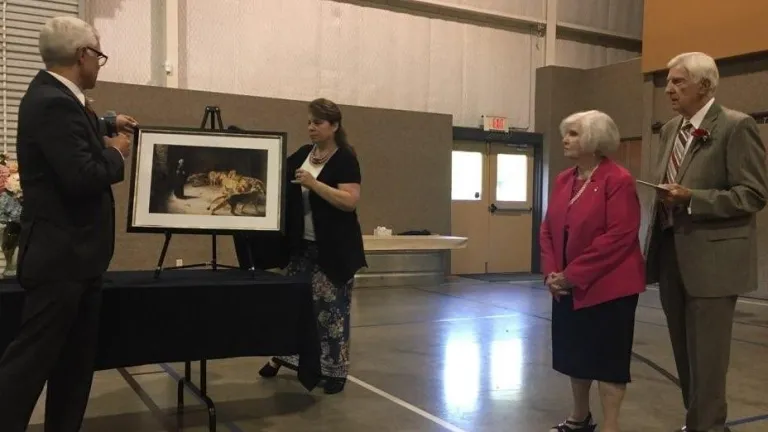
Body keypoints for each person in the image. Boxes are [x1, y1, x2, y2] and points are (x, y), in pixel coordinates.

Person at [0, 16, 136, 431]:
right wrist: (116, 153)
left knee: (73, 367)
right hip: (62, 262)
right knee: (28, 368)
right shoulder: (53, 102)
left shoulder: (53, 96)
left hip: (77, 260)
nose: (99, 63)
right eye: (98, 55)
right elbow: (80, 176)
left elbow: (74, 131)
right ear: (83, 55)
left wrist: (107, 123)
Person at [645, 52, 768, 432]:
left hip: (714, 263)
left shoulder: (736, 126)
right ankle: (698, 422)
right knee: (684, 355)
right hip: (671, 257)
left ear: (705, 86)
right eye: (669, 81)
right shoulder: (670, 130)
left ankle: (709, 426)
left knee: (709, 360)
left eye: (678, 81)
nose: (669, 89)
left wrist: (693, 198)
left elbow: (753, 194)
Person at [540, 110, 645, 432]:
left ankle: (611, 425)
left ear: (594, 139)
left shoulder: (618, 179)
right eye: (566, 132)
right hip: (567, 287)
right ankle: (580, 417)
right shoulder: (563, 179)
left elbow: (619, 236)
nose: (565, 139)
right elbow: (547, 230)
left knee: (609, 362)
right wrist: (552, 274)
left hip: (609, 287)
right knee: (576, 356)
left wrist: (572, 275)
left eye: (573, 133)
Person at [257, 98, 366, 394]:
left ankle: (335, 371)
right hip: (301, 248)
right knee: (290, 306)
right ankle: (283, 358)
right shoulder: (305, 154)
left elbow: (350, 201)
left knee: (332, 312)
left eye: (317, 122)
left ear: (334, 126)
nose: (311, 127)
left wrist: (314, 185)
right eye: (309, 122)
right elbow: (278, 171)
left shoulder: (345, 158)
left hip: (334, 250)